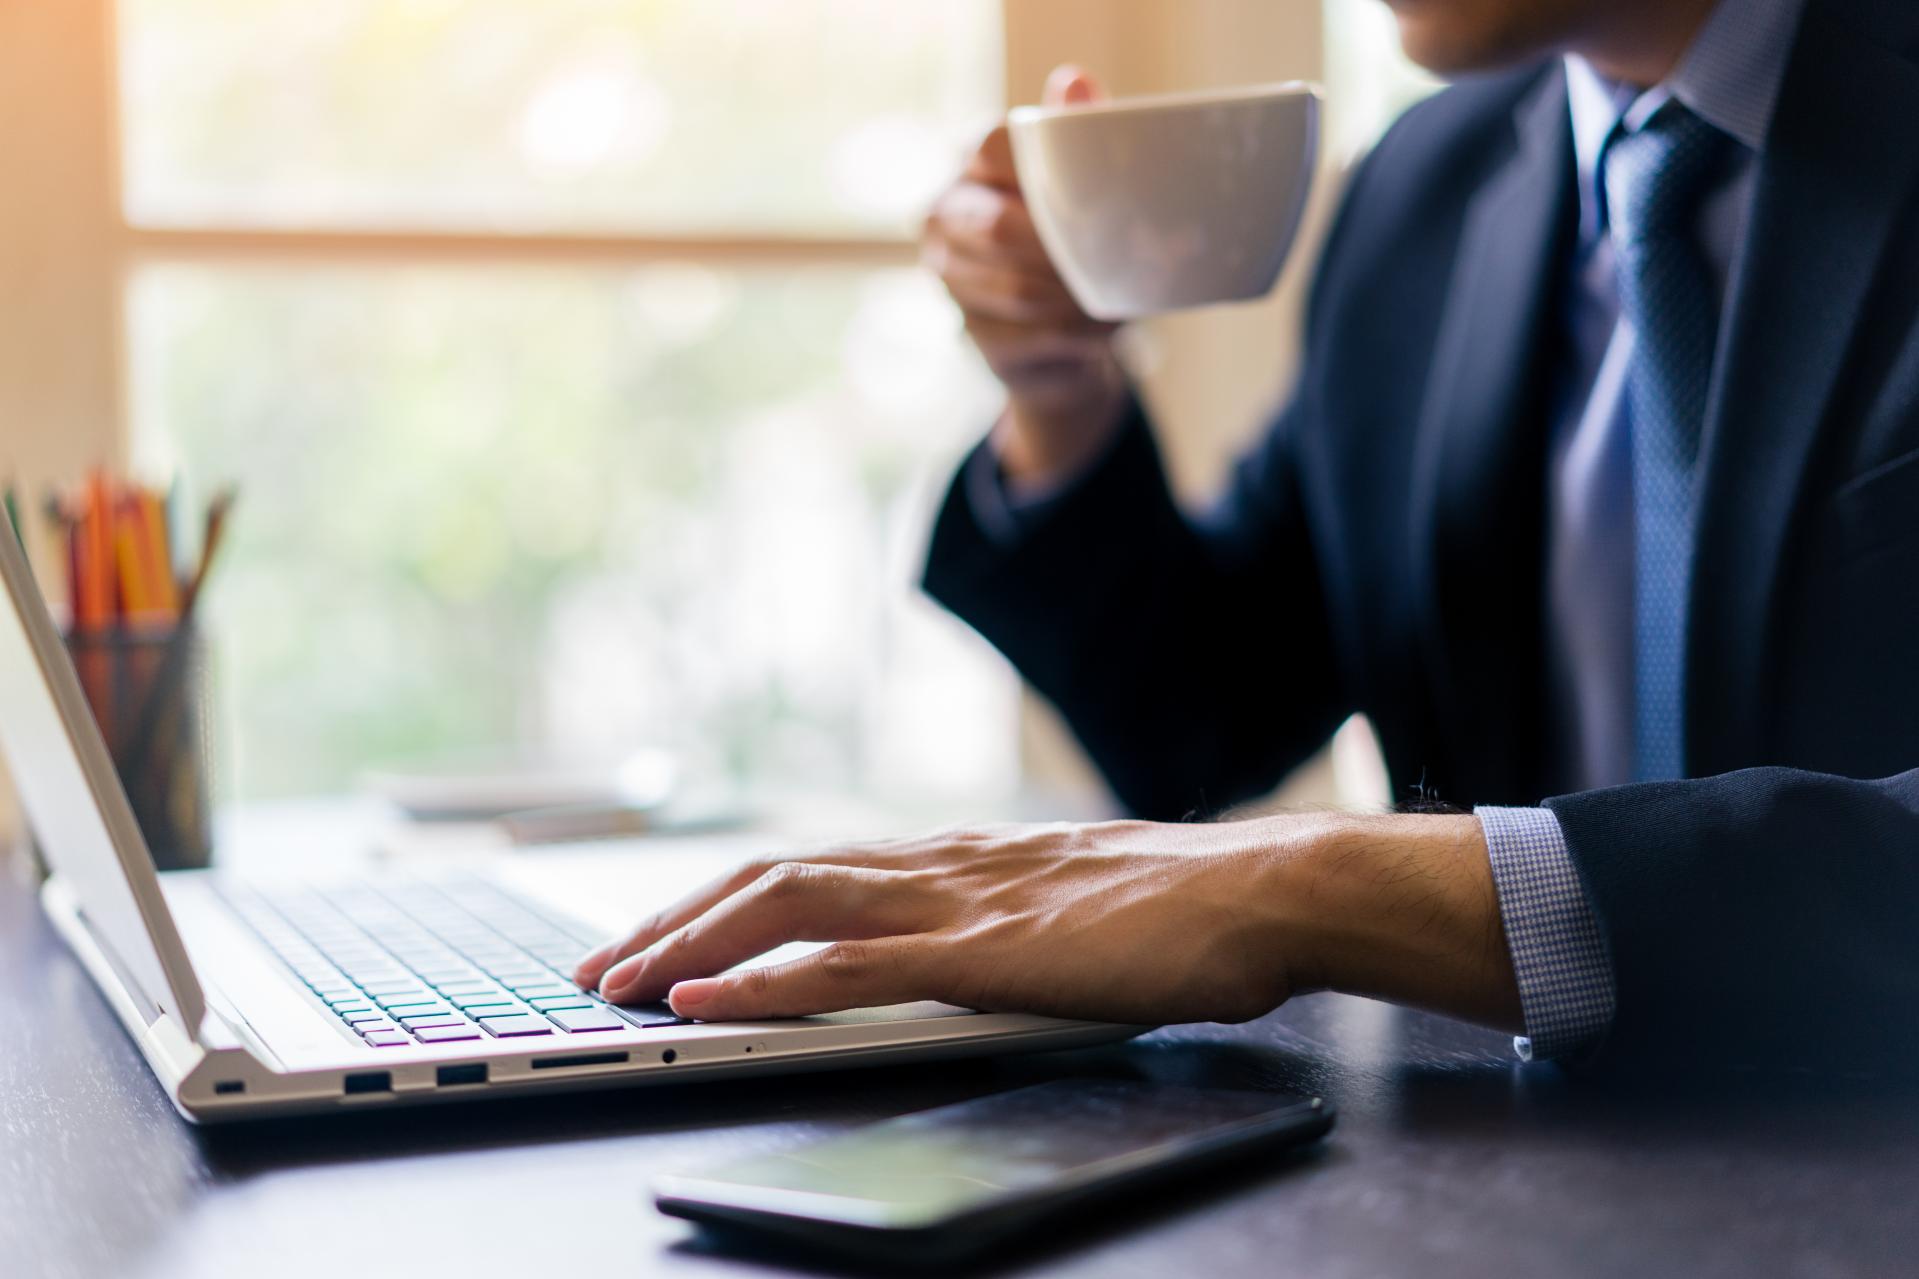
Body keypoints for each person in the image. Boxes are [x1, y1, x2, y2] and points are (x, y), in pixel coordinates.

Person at [578, 0, 1919, 1072]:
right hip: (1527, 1186)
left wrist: (1314, 885)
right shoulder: (1428, 185)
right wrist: (1063, 397)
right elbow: (1200, 724)